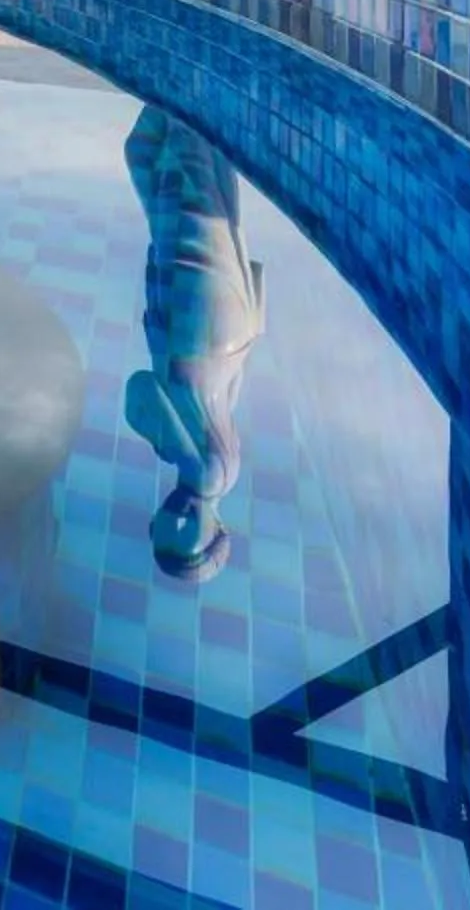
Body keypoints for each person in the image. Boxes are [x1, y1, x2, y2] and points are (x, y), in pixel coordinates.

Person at [121, 104, 266, 582]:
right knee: (187, 168)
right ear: (212, 535)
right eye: (185, 533)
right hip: (200, 328)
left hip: (213, 332)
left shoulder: (214, 468)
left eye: (161, 527)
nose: (172, 516)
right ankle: (184, 78)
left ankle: (172, 81)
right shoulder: (204, 471)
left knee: (157, 159)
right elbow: (139, 393)